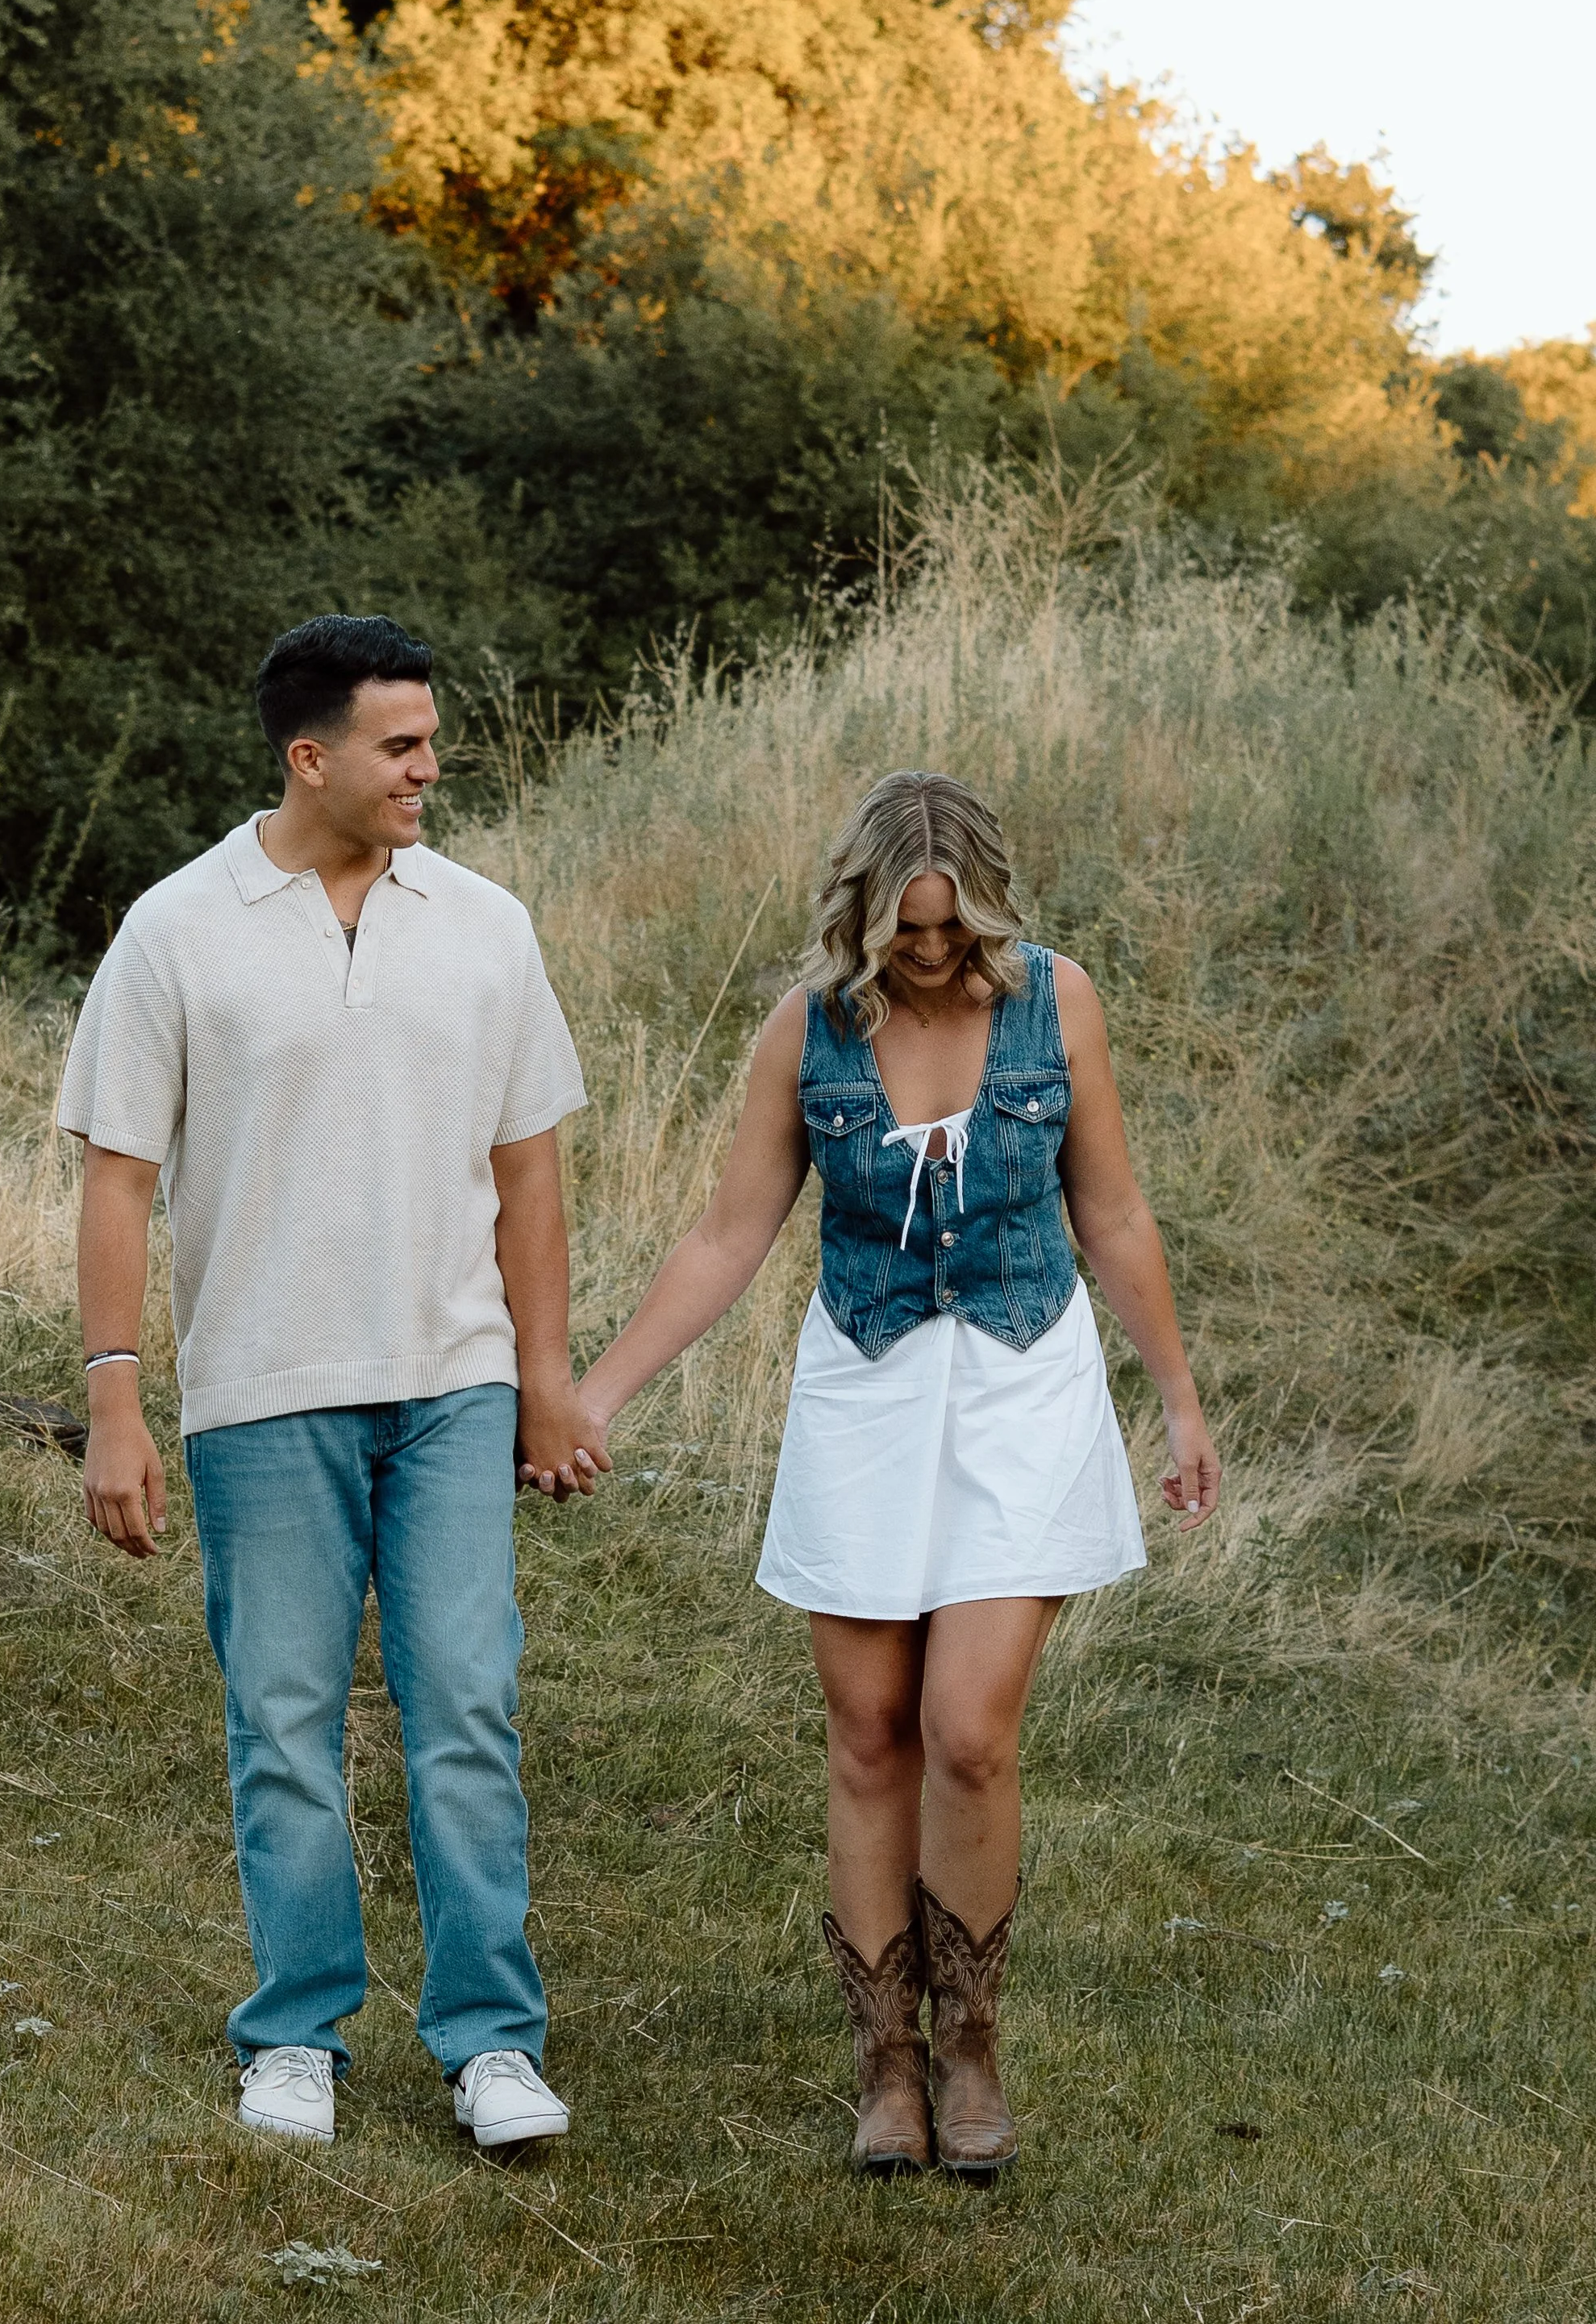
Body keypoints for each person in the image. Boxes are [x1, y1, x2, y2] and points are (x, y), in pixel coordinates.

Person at [552, 770, 1220, 2176]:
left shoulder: (1057, 1000)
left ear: (988, 908)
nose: (927, 950)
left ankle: (970, 2041)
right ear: (859, 916)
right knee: (868, 1732)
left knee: (966, 1729)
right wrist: (593, 1394)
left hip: (1024, 1388)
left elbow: (1109, 1207)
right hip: (864, 1393)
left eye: (949, 926)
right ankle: (885, 2062)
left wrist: (1175, 1400)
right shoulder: (803, 1028)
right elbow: (728, 1233)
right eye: (903, 929)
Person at [59, 613, 602, 2152]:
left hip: (453, 1385)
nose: (430, 768)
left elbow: (530, 1173)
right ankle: (296, 2032)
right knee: (283, 1723)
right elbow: (116, 1179)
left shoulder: (486, 926)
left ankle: (491, 2042)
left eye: (431, 741)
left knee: (467, 1709)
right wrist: (115, 1400)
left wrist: (545, 1378)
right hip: (262, 1389)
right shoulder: (176, 928)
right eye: (400, 745)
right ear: (311, 756)